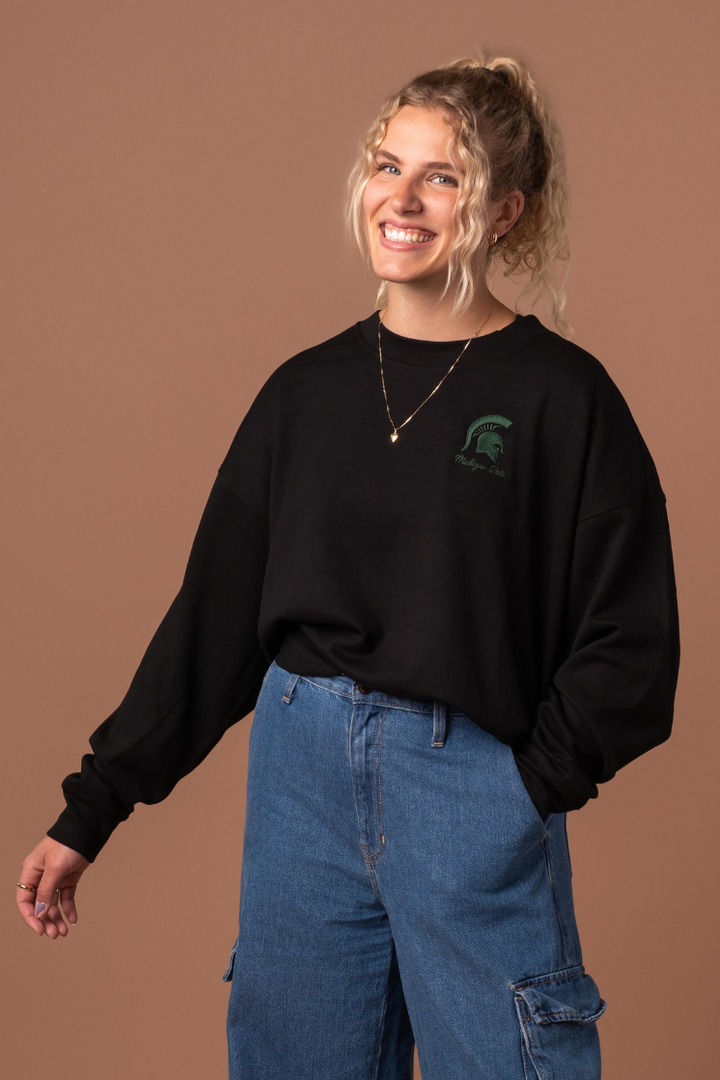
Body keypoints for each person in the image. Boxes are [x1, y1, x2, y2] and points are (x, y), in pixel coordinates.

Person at [16, 55, 680, 1079]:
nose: (402, 199)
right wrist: (93, 805)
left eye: (443, 176)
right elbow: (214, 620)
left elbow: (631, 642)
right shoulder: (303, 395)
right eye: (387, 165)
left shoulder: (563, 399)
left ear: (505, 211)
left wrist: (524, 788)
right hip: (301, 781)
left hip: (471, 782)